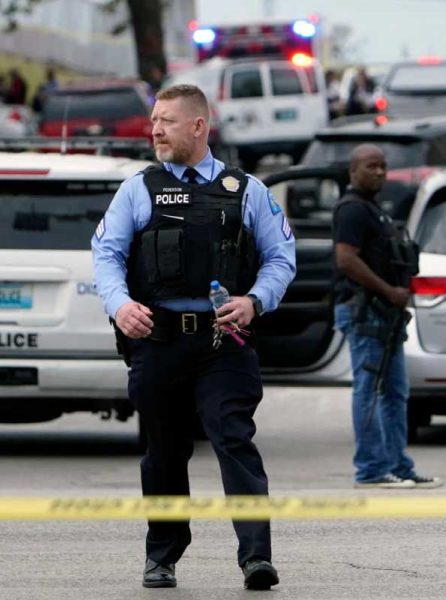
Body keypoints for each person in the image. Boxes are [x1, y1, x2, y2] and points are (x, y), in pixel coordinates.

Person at [92, 84, 294, 590]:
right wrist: (120, 306)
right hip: (159, 341)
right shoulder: (138, 188)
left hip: (222, 341)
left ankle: (256, 557)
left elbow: (281, 259)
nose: (155, 129)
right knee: (164, 452)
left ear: (199, 127)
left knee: (233, 438)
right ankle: (162, 554)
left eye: (167, 121)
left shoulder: (245, 190)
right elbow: (106, 256)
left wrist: (254, 301)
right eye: (154, 120)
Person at [332, 144, 442, 489]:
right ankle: (371, 470)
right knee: (368, 390)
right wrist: (388, 291)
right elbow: (346, 259)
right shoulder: (351, 209)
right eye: (370, 166)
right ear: (353, 171)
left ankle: (398, 466)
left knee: (396, 393)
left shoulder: (374, 209)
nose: (379, 172)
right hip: (365, 312)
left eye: (383, 166)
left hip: (386, 317)